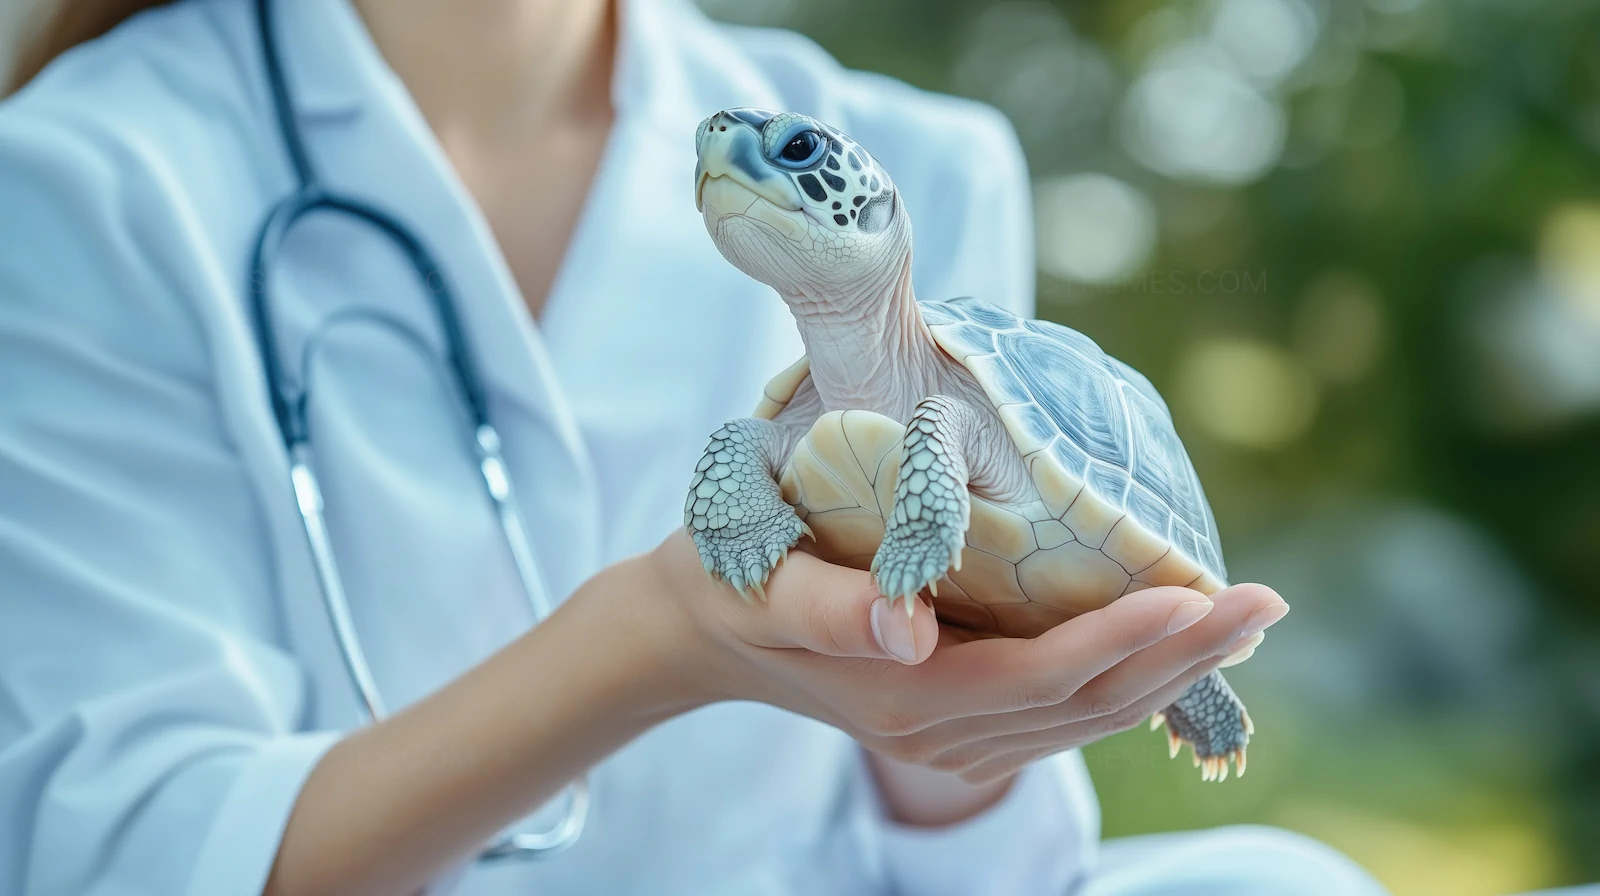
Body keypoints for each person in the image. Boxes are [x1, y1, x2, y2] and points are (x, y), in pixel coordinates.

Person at [0, 0, 1388, 893]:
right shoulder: (82, 174)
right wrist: (657, 639)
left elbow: (988, 858)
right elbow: (115, 858)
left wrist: (955, 705)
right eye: (739, 157)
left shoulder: (928, 158)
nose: (749, 160)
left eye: (787, 160)